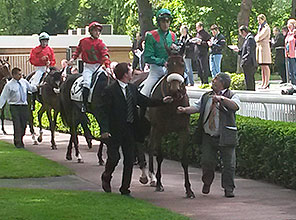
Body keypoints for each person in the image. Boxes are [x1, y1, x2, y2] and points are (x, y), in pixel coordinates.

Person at [97, 62, 173, 196]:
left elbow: (144, 101)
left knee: (129, 159)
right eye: (130, 70)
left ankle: (125, 188)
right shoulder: (110, 91)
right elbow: (103, 112)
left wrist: (162, 101)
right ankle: (106, 176)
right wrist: (104, 130)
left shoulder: (132, 89)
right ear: (125, 74)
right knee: (114, 158)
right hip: (114, 131)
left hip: (130, 129)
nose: (132, 72)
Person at [177, 73, 240, 198]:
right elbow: (196, 107)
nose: (213, 81)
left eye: (215, 79)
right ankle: (207, 183)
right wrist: (184, 110)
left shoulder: (232, 95)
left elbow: (235, 106)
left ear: (222, 83)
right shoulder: (206, 96)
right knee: (206, 162)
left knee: (229, 164)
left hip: (226, 135)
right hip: (208, 135)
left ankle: (228, 189)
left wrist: (222, 99)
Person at [69, 21, 111, 113]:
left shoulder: (101, 43)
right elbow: (77, 50)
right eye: (96, 31)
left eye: (99, 31)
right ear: (91, 31)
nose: (98, 33)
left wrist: (107, 66)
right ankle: (84, 104)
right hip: (88, 67)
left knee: (108, 80)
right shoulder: (83, 41)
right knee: (87, 83)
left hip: (98, 67)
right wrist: (73, 58)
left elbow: (105, 55)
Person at [141, 8, 177, 97]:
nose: (165, 24)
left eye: (167, 21)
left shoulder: (173, 36)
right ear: (159, 22)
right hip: (156, 70)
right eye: (163, 21)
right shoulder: (151, 35)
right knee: (144, 93)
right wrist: (162, 62)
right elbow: (147, 57)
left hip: (171, 70)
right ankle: (140, 108)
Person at [0, 68, 37, 148]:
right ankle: (18, 142)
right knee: (17, 124)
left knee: (23, 125)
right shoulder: (9, 85)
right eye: (19, 74)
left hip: (24, 106)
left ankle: (20, 138)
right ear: (14, 75)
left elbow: (31, 88)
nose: (21, 76)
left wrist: (39, 87)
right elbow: (3, 96)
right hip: (14, 106)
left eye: (21, 74)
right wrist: (0, 106)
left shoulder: (24, 82)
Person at [233, 25, 257, 91]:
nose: (241, 35)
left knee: (249, 80)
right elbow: (245, 50)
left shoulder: (250, 39)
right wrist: (239, 51)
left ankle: (251, 93)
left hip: (249, 63)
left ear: (243, 31)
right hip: (248, 63)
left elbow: (249, 53)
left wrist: (244, 61)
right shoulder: (247, 39)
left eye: (240, 33)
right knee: (248, 79)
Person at [255, 14, 272, 89]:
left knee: (265, 65)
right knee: (262, 66)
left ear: (263, 19)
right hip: (260, 47)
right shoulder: (260, 27)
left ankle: (267, 82)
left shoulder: (266, 27)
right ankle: (263, 82)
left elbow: (260, 36)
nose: (258, 21)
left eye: (259, 20)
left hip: (264, 48)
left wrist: (255, 39)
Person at [285, 19, 296, 85]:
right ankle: (292, 83)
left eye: (290, 24)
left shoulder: (295, 33)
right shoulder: (288, 34)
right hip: (288, 54)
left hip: (294, 54)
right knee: (290, 70)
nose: (288, 26)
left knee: (295, 70)